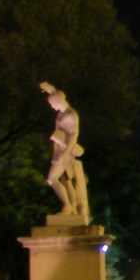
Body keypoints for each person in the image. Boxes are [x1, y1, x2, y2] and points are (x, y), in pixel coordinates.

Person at [40, 81, 90, 221]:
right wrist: (49, 89)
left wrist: (65, 154)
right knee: (64, 181)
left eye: (52, 103)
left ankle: (67, 206)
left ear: (58, 102)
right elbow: (57, 95)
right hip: (59, 151)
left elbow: (74, 136)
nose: (51, 106)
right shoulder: (62, 112)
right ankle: (70, 208)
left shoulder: (71, 115)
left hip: (64, 153)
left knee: (52, 179)